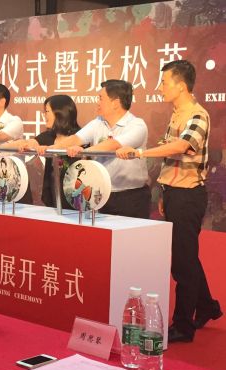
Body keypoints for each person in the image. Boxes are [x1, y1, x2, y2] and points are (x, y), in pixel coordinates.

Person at [117, 60, 222, 342]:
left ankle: (183, 326)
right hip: (175, 193)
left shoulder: (198, 115)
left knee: (182, 263)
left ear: (181, 85)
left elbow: (181, 147)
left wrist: (140, 153)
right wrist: (164, 193)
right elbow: (169, 157)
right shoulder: (176, 114)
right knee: (186, 256)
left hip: (189, 195)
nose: (160, 87)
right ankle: (207, 306)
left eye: (164, 82)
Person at [46, 80, 150, 218]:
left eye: (101, 98)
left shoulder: (137, 125)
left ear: (115, 103)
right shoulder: (98, 122)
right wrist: (50, 148)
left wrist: (83, 152)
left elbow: (113, 145)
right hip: (101, 194)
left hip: (131, 196)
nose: (97, 102)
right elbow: (76, 138)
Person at [1, 95, 81, 208]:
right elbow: (29, 142)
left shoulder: (80, 136)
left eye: (47, 111)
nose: (44, 115)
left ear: (59, 113)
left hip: (75, 196)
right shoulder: (49, 135)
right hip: (52, 194)